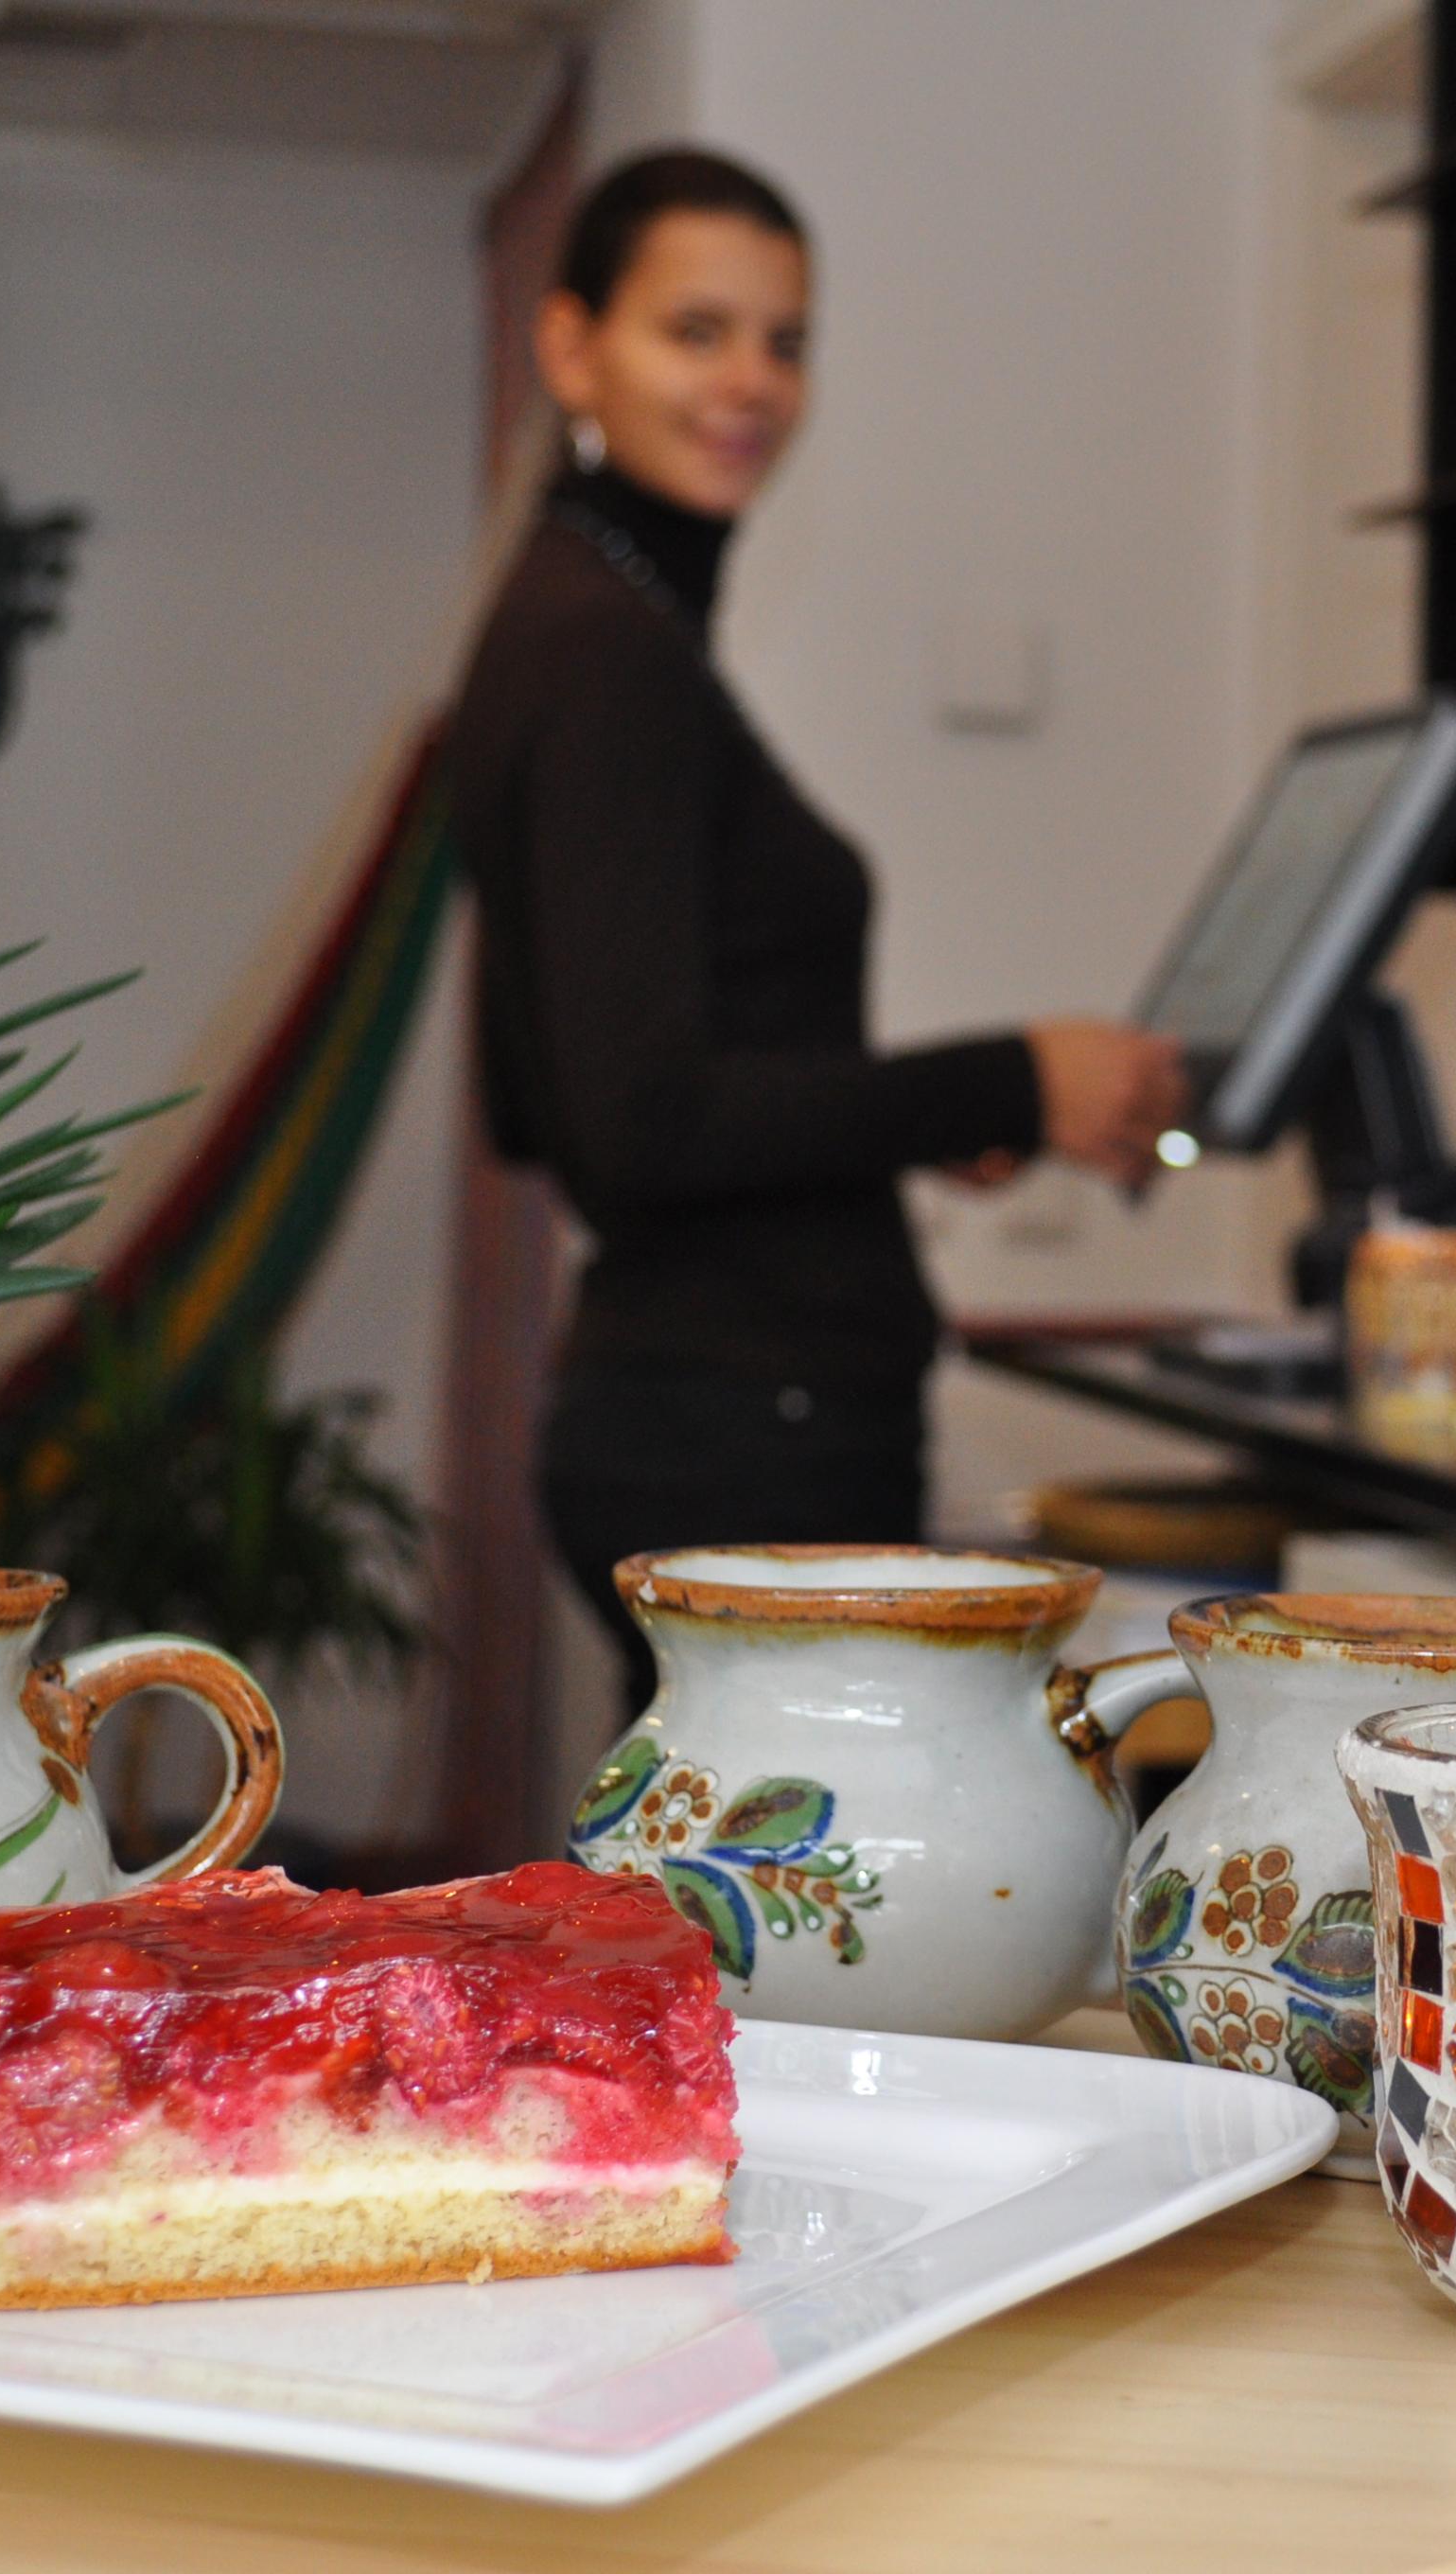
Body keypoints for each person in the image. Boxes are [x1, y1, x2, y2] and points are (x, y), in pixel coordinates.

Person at [447, 150, 1187, 1668]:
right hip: (748, 1426)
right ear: (572, 347)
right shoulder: (608, 655)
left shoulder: (580, 617)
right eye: (696, 331)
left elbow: (537, 1100)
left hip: (690, 1406)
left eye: (785, 341)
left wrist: (893, 1125)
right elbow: (641, 1121)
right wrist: (1015, 1079)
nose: (752, 382)